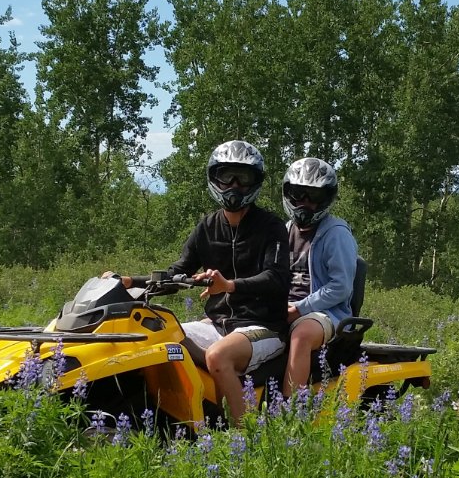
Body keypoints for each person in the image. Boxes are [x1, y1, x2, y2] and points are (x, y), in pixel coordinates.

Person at [143, 140, 290, 422]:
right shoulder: (207, 227)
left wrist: (230, 285)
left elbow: (277, 277)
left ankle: (241, 436)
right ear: (215, 179)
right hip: (218, 324)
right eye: (227, 177)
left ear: (255, 182)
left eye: (243, 178)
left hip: (264, 327)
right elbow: (179, 270)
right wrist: (129, 282)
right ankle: (180, 420)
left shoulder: (271, 227)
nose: (234, 186)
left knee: (218, 356)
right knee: (160, 336)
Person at [280, 157, 357, 397]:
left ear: (326, 199)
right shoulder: (286, 230)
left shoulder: (336, 234)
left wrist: (300, 308)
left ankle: (290, 409)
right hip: (286, 306)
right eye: (299, 194)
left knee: (301, 336)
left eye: (313, 196)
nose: (305, 203)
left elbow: (341, 287)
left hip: (327, 313)